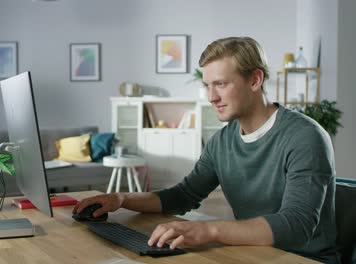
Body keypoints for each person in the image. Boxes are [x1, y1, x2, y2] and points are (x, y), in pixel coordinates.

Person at [73, 37, 338, 263]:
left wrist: (210, 231)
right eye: (207, 86)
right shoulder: (223, 141)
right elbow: (184, 195)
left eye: (221, 84)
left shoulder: (304, 137)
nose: (211, 97)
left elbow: (296, 226)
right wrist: (122, 199)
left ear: (255, 80)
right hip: (255, 254)